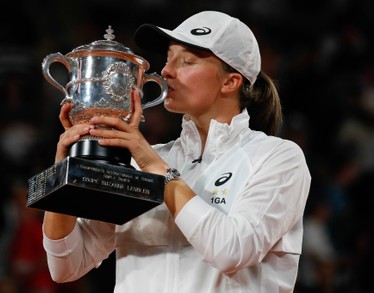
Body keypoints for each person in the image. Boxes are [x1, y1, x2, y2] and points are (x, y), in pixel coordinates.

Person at [42, 10, 311, 292]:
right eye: (169, 58)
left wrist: (154, 166)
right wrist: (66, 173)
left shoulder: (276, 157)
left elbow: (232, 250)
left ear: (230, 82)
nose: (167, 71)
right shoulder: (144, 163)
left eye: (187, 61)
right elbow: (66, 266)